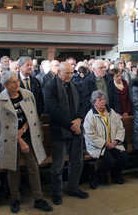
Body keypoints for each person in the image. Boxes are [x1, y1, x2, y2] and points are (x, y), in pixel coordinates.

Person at [0, 71, 53, 213]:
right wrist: (17, 139)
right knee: (13, 170)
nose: (17, 84)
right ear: (5, 85)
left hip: (28, 136)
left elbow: (32, 118)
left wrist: (23, 131)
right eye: (13, 82)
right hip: (10, 139)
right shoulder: (0, 99)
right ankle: (15, 199)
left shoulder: (27, 95)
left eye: (17, 81)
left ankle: (38, 199)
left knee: (33, 167)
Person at [44, 62, 88, 205]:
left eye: (71, 73)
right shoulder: (50, 88)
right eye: (66, 73)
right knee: (58, 165)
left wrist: (79, 119)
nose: (69, 76)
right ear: (58, 72)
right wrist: (72, 125)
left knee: (77, 161)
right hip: (60, 131)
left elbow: (82, 104)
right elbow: (54, 110)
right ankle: (56, 193)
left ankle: (73, 188)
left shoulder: (74, 85)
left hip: (76, 129)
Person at [84, 90, 129, 189]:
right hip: (100, 145)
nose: (102, 102)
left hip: (114, 143)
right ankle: (96, 178)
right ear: (94, 102)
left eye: (103, 100)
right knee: (109, 161)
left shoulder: (111, 112)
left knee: (124, 158)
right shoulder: (90, 115)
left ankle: (116, 175)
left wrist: (116, 141)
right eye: (99, 100)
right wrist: (105, 144)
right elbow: (91, 135)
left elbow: (120, 128)